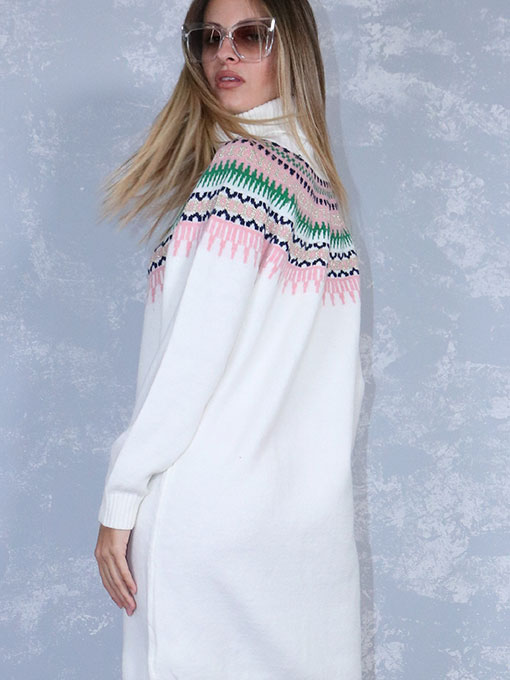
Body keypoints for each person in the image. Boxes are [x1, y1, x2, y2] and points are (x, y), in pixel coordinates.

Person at [94, 0, 365, 677]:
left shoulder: (240, 174)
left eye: (251, 34)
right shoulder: (322, 195)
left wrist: (122, 495)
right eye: (208, 38)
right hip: (303, 534)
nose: (226, 54)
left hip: (206, 518)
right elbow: (346, 390)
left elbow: (190, 360)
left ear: (291, 45)